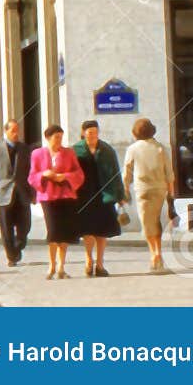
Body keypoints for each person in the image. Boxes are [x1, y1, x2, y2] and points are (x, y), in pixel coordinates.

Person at [28, 124, 84, 281]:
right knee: (53, 231)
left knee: (64, 232)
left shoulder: (69, 153)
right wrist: (44, 174)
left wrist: (65, 176)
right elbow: (32, 176)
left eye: (61, 137)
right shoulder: (37, 154)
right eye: (56, 137)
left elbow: (78, 173)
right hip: (48, 196)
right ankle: (51, 265)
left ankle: (61, 266)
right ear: (48, 138)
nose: (59, 140)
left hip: (66, 196)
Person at [71, 120, 124, 277]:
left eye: (95, 132)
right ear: (83, 133)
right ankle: (89, 259)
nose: (92, 135)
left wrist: (120, 195)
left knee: (102, 231)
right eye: (89, 132)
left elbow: (116, 173)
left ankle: (100, 264)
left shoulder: (107, 150)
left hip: (104, 196)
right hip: (83, 196)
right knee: (87, 230)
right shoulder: (76, 150)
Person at [123, 116, 175, 273]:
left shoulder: (132, 149)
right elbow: (169, 173)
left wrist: (125, 188)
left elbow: (127, 171)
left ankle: (154, 254)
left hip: (143, 189)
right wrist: (171, 193)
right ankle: (158, 252)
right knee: (156, 220)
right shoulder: (160, 148)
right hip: (160, 189)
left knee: (147, 222)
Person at [0, 120, 33, 266]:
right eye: (13, 130)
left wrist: (33, 193)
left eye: (17, 130)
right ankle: (11, 256)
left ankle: (18, 247)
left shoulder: (24, 148)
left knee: (25, 226)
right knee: (6, 228)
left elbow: (30, 171)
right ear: (6, 131)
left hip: (22, 193)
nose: (16, 133)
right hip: (3, 193)